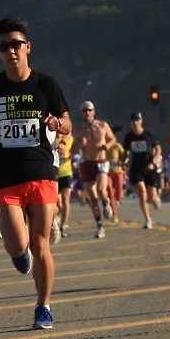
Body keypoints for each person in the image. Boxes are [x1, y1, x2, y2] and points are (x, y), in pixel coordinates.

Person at [0, 17, 72, 329]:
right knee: (16, 245)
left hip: (41, 172)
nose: (10, 50)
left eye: (15, 44)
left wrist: (57, 124)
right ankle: (19, 254)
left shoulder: (46, 84)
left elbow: (67, 124)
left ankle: (43, 306)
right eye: (3, 46)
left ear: (27, 47)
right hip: (7, 176)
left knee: (42, 245)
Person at [71, 101, 115, 238]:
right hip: (86, 163)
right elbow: (71, 153)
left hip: (101, 161)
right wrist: (79, 145)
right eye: (84, 110)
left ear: (94, 111)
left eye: (89, 110)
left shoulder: (103, 125)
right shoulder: (78, 130)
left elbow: (113, 138)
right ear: (81, 113)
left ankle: (106, 202)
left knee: (102, 190)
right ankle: (99, 225)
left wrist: (108, 145)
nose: (87, 113)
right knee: (92, 198)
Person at [123, 112, 160, 229]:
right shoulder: (129, 137)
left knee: (151, 195)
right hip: (136, 168)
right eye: (133, 121)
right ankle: (147, 218)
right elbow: (125, 152)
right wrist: (123, 162)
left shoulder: (148, 134)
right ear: (130, 122)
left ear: (141, 121)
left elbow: (158, 149)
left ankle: (155, 198)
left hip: (149, 166)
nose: (135, 123)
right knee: (142, 191)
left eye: (137, 120)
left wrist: (153, 162)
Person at [54, 132, 74, 239]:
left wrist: (73, 154)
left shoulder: (69, 139)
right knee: (58, 203)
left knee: (66, 200)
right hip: (55, 175)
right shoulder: (51, 139)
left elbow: (77, 148)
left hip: (66, 173)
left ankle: (63, 226)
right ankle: (56, 219)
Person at [106, 124, 126, 223]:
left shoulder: (117, 146)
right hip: (107, 173)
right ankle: (114, 214)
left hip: (118, 172)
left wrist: (123, 162)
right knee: (110, 192)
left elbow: (124, 156)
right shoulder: (102, 146)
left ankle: (117, 200)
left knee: (118, 194)